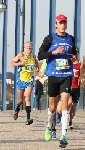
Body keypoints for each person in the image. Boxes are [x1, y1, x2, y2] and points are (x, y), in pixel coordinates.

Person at [38, 14, 77, 147]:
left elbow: (74, 54)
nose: (62, 25)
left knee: (66, 104)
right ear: (56, 24)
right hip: (53, 75)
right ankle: (49, 126)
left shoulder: (71, 38)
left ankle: (64, 136)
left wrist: (73, 58)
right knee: (53, 107)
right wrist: (53, 52)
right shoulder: (49, 38)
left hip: (66, 74)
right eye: (60, 23)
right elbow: (40, 54)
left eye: (64, 23)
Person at [10, 41, 39, 125]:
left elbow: (36, 63)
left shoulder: (33, 56)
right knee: (20, 100)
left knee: (28, 98)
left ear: (32, 48)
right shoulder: (21, 55)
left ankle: (28, 118)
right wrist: (19, 63)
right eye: (27, 47)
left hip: (29, 80)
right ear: (24, 47)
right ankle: (17, 109)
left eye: (30, 47)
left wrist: (37, 67)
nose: (29, 48)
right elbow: (11, 63)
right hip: (21, 80)